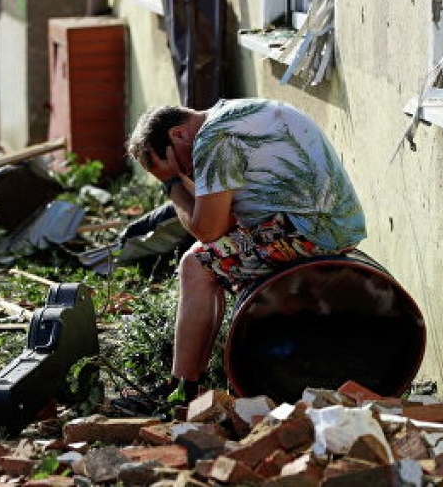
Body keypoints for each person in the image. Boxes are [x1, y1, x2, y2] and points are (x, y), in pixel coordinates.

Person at [123, 97, 366, 407]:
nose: (189, 172)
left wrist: (171, 184)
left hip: (311, 230)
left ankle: (182, 389)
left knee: (196, 265)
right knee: (205, 255)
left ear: (179, 134)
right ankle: (189, 383)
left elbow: (208, 229)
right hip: (332, 221)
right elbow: (223, 221)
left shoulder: (213, 138)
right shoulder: (233, 113)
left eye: (182, 166)